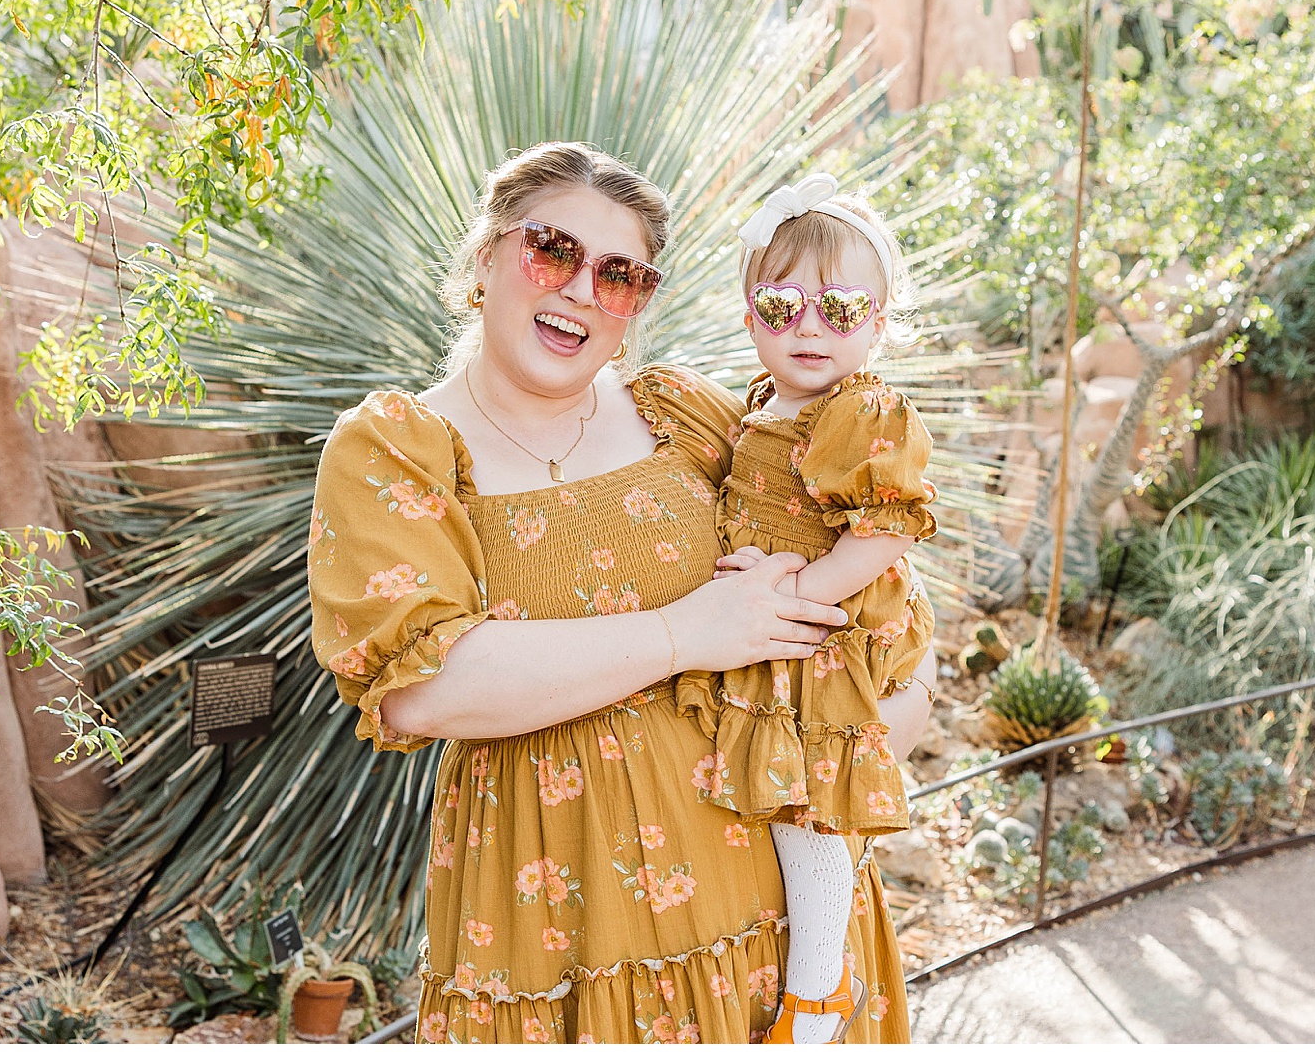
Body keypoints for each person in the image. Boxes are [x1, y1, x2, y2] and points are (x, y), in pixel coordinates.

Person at [306, 142, 932, 1043]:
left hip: (781, 933)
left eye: (620, 276)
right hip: (560, 932)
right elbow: (422, 689)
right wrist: (689, 634)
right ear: (486, 256)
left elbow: (890, 601)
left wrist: (864, 748)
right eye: (551, 250)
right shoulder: (397, 449)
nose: (578, 291)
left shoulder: (686, 416)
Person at [677, 173, 939, 1043]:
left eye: (840, 306)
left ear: (879, 318)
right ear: (749, 314)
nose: (812, 328)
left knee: (812, 816)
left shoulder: (862, 408)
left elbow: (886, 530)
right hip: (786, 636)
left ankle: (819, 991)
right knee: (786, 810)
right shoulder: (764, 406)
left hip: (826, 636)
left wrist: (792, 593)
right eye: (783, 304)